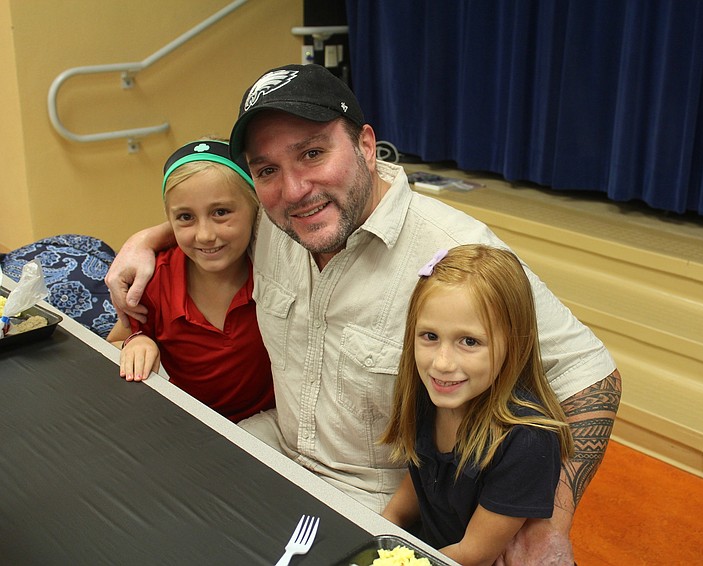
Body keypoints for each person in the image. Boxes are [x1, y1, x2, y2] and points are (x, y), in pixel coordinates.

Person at [105, 63, 622, 564]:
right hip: (273, 448)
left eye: (312, 153)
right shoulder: (272, 224)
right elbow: (213, 216)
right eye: (267, 170)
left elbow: (589, 373)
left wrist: (550, 520)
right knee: (132, 510)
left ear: (366, 147)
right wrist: (146, 239)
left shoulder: (453, 253)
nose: (294, 190)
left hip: (379, 499)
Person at [381, 244, 574, 566]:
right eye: (429, 336)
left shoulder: (527, 440)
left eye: (469, 342)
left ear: (513, 344)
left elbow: (474, 554)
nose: (442, 363)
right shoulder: (431, 395)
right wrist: (378, 533)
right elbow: (417, 486)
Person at [106, 139, 274, 423]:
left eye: (221, 212)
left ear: (255, 209)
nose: (205, 235)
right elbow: (114, 341)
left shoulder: (275, 269)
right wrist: (137, 342)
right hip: (190, 426)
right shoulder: (155, 279)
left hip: (272, 423)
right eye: (186, 217)